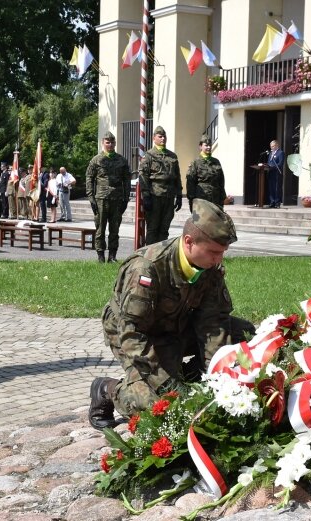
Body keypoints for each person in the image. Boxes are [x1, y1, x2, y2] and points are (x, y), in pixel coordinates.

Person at [88, 199, 255, 429]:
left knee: (243, 334)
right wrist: (168, 386)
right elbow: (132, 335)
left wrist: (217, 375)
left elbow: (213, 322)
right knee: (156, 404)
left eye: (223, 252)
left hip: (176, 326)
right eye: (214, 252)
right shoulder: (146, 268)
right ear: (189, 242)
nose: (219, 259)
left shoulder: (209, 267)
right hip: (139, 336)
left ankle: (189, 380)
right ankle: (107, 389)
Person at [85, 131, 131, 263]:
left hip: (117, 199)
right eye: (107, 142)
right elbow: (89, 179)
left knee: (114, 229)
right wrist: (91, 199)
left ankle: (112, 256)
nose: (110, 145)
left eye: (112, 142)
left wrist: (126, 198)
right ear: (102, 143)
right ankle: (100, 256)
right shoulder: (96, 160)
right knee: (100, 228)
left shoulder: (121, 160)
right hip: (101, 199)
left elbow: (126, 180)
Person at [139, 126, 182, 245]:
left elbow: (177, 177)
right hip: (154, 196)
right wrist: (146, 196)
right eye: (160, 136)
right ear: (154, 138)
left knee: (164, 229)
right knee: (153, 228)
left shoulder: (172, 156)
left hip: (169, 196)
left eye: (164, 136)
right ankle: (150, 256)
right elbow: (143, 177)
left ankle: (161, 257)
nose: (163, 139)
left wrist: (179, 195)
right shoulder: (149, 156)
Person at [186, 136, 226, 211]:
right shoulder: (196, 162)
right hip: (201, 198)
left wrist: (222, 197)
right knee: (202, 222)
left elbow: (221, 181)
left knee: (215, 221)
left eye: (210, 145)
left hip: (215, 199)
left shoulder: (216, 162)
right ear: (200, 146)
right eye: (206, 145)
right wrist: (191, 200)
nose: (208, 147)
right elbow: (190, 183)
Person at [266, 139, 284, 208]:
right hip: (270, 173)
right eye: (271, 146)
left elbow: (280, 163)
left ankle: (277, 203)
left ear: (277, 145)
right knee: (271, 188)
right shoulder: (270, 153)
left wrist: (272, 166)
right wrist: (267, 166)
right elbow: (269, 162)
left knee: (277, 188)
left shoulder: (280, 153)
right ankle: (272, 202)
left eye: (273, 146)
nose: (272, 148)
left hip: (277, 173)